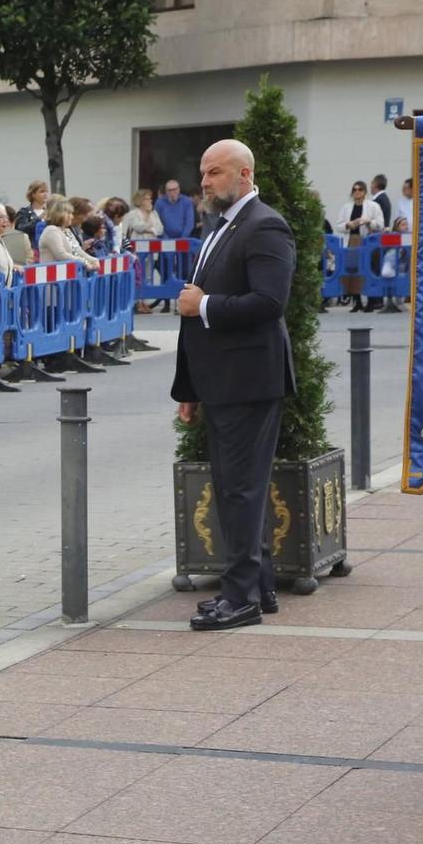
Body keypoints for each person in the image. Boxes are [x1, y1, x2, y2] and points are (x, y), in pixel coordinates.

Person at [172, 139, 297, 632]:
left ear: (245, 174)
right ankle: (258, 586)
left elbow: (269, 303)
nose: (205, 182)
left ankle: (239, 597)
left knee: (240, 491)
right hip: (223, 381)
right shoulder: (221, 226)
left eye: (216, 173)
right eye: (203, 173)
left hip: (249, 381)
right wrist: (190, 387)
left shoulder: (265, 224)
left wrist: (202, 305)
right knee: (237, 489)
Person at [337, 180, 386, 312]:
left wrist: (368, 221)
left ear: (364, 192)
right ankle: (357, 302)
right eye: (354, 189)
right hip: (351, 240)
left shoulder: (373, 206)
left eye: (359, 189)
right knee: (353, 271)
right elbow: (339, 225)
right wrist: (349, 224)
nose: (357, 192)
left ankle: (370, 302)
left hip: (367, 241)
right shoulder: (346, 207)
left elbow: (381, 224)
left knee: (367, 270)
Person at [37, 197, 100, 269]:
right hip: (52, 276)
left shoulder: (67, 231)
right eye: (69, 213)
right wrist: (84, 262)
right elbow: (61, 255)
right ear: (61, 214)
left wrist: (94, 260)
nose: (72, 216)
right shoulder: (51, 230)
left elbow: (78, 251)